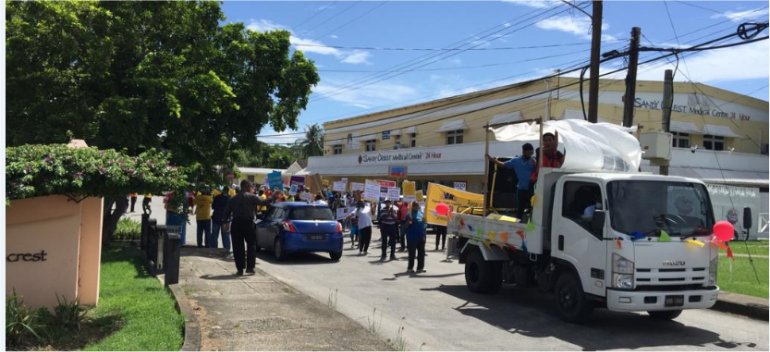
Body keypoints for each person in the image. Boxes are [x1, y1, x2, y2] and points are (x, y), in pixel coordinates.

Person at [224, 180, 272, 276]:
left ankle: (240, 269)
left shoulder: (233, 198)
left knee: (237, 247)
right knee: (251, 245)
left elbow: (227, 212)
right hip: (248, 223)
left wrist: (225, 223)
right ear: (246, 186)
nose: (252, 188)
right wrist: (273, 197)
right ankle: (250, 267)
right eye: (251, 186)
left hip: (236, 223)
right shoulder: (251, 196)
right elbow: (263, 202)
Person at [487, 143, 537, 220]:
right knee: (520, 209)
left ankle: (531, 226)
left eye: (532, 153)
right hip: (521, 189)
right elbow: (504, 165)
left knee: (533, 209)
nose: (531, 154)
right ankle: (518, 225)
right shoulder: (516, 161)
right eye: (529, 152)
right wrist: (492, 160)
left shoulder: (534, 161)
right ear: (524, 151)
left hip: (532, 189)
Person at [406, 201, 427, 273]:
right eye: (416, 206)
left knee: (421, 253)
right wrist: (409, 221)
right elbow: (406, 225)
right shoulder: (409, 214)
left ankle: (420, 268)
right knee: (412, 254)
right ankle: (410, 268)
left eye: (418, 205)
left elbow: (424, 225)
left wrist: (425, 221)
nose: (418, 207)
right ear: (413, 206)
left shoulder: (421, 213)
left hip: (421, 236)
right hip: (412, 237)